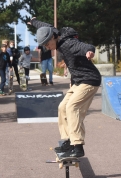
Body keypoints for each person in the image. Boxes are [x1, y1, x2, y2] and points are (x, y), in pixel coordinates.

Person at [28, 18, 101, 158]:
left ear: (54, 37)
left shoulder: (69, 43)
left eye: (48, 44)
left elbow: (86, 46)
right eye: (44, 45)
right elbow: (45, 26)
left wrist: (90, 52)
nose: (47, 47)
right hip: (78, 81)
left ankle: (77, 146)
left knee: (72, 107)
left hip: (89, 80)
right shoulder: (54, 33)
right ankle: (68, 141)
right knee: (62, 107)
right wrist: (34, 21)